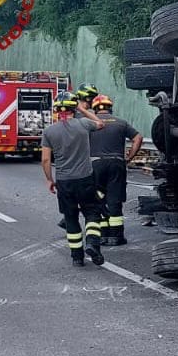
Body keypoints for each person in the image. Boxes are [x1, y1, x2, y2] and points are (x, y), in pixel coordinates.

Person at [41, 91, 106, 267]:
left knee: (70, 217)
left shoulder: (49, 132)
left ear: (56, 110)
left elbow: (46, 159)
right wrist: (83, 110)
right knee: (92, 212)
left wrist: (49, 179)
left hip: (64, 181)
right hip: (85, 178)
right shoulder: (84, 124)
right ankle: (93, 243)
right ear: (73, 108)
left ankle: (77, 257)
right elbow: (101, 123)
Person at [89, 94, 142, 246]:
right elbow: (138, 138)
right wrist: (129, 157)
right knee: (114, 199)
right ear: (109, 107)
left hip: (95, 164)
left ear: (94, 109)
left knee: (99, 199)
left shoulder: (90, 124)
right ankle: (116, 236)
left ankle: (103, 235)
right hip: (116, 164)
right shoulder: (121, 123)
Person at [56, 82, 101, 231]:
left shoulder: (79, 112)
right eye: (91, 99)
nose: (92, 102)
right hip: (81, 160)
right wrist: (82, 109)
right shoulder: (79, 113)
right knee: (92, 193)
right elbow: (98, 123)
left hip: (80, 158)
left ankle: (68, 219)